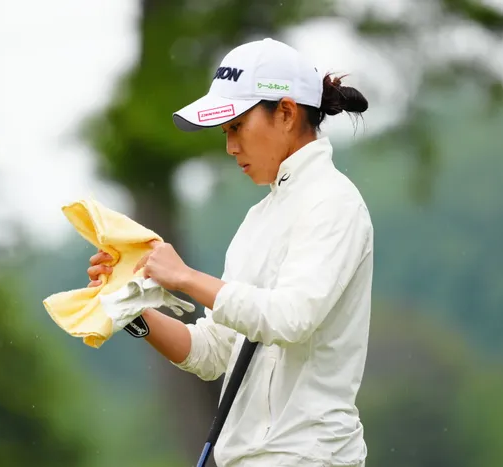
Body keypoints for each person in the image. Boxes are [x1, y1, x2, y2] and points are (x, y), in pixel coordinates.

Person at [88, 37, 373, 467]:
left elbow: (289, 319)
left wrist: (185, 277)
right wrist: (128, 308)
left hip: (309, 458)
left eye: (237, 127)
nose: (230, 147)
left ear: (286, 113)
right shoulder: (259, 218)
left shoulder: (333, 202)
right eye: (226, 132)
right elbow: (214, 351)